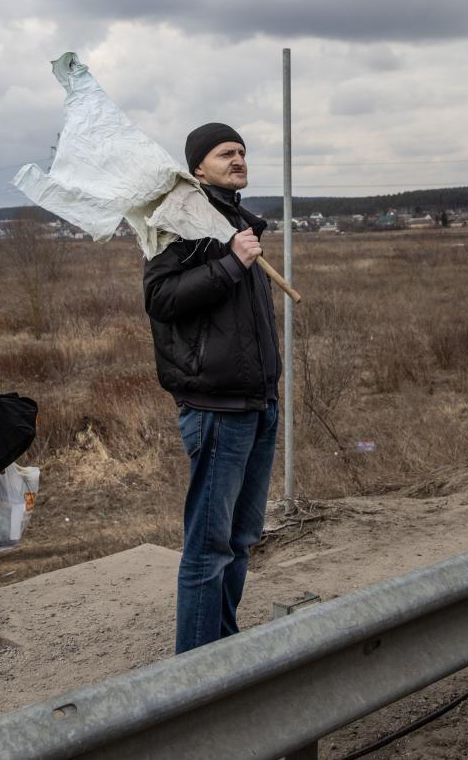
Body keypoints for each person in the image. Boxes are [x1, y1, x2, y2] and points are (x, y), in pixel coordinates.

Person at [143, 122, 281, 654]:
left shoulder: (238, 222)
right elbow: (161, 299)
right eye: (226, 152)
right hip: (216, 407)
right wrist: (231, 264)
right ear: (197, 166)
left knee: (241, 540)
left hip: (257, 403)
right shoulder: (180, 221)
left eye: (243, 151)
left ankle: (223, 648)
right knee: (209, 545)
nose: (239, 158)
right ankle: (196, 673)